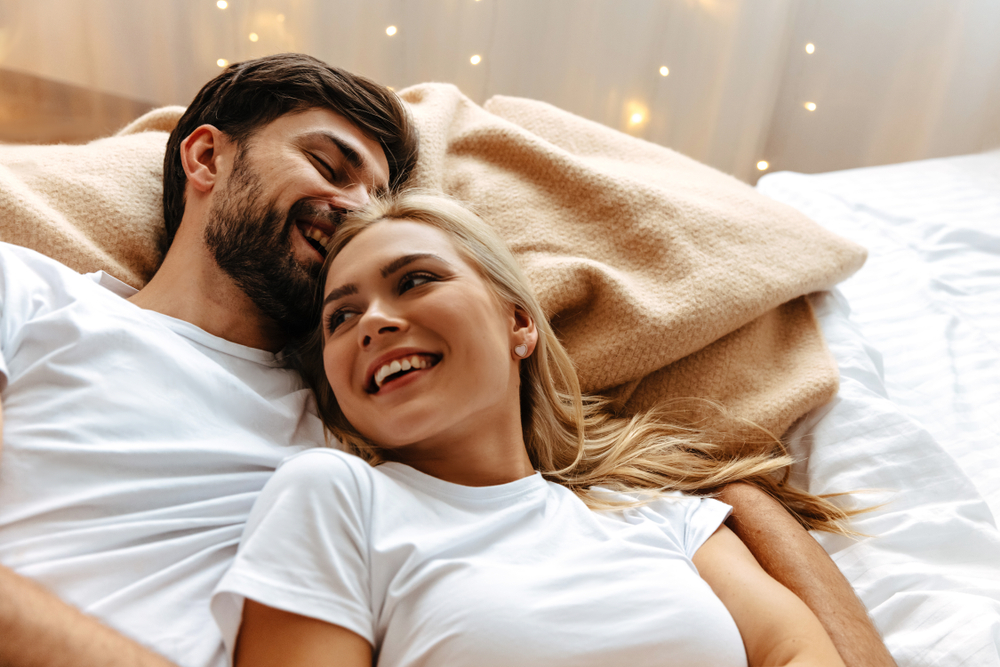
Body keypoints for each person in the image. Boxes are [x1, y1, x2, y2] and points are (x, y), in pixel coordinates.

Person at [210, 191, 850, 666]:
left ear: (519, 324)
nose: (373, 322)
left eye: (415, 280)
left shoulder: (663, 516)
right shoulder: (334, 496)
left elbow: (797, 652)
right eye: (341, 317)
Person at [0, 53, 418, 667]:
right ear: (205, 157)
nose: (359, 213)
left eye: (378, 204)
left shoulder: (354, 427)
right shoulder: (25, 292)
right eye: (328, 166)